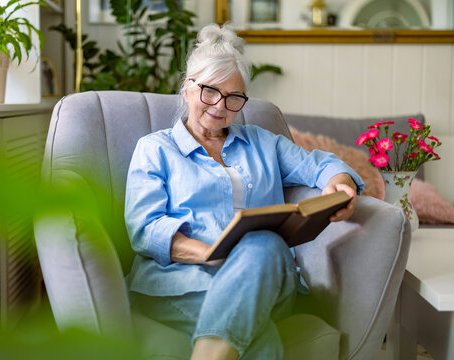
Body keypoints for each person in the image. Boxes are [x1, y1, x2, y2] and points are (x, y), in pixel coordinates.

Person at [124, 23, 364, 360]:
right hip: (181, 285)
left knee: (263, 243)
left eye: (233, 97)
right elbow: (145, 229)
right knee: (260, 340)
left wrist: (341, 181)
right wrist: (210, 253)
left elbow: (320, 164)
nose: (220, 105)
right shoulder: (154, 149)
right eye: (210, 91)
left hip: (267, 276)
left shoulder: (263, 143)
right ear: (187, 88)